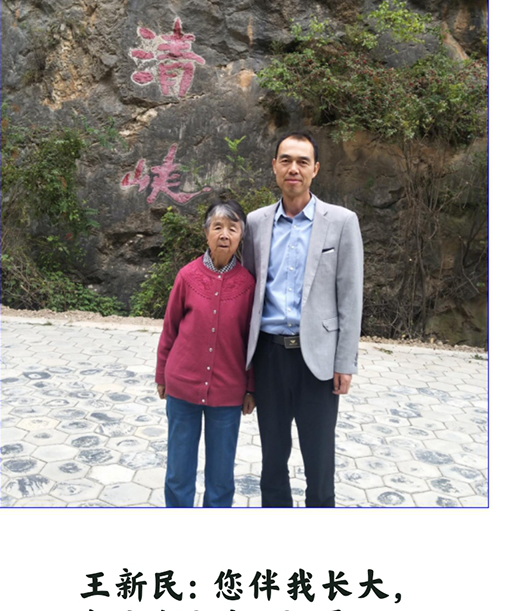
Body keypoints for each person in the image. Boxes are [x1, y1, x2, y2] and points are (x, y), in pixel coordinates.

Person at [244, 131, 364, 508]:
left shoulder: (341, 222)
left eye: (302, 161)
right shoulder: (256, 223)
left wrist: (345, 362)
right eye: (286, 160)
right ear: (274, 167)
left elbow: (350, 296)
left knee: (319, 459)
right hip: (269, 357)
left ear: (315, 169)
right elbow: (248, 292)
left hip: (319, 361)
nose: (293, 168)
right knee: (272, 459)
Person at [156, 200, 255, 507]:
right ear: (206, 233)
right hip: (183, 388)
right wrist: (161, 375)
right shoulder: (187, 276)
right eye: (217, 227)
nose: (224, 234)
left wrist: (251, 388)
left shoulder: (248, 284)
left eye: (232, 228)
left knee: (221, 477)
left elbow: (252, 342)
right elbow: (170, 328)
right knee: (178, 473)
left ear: (241, 235)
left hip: (228, 393)